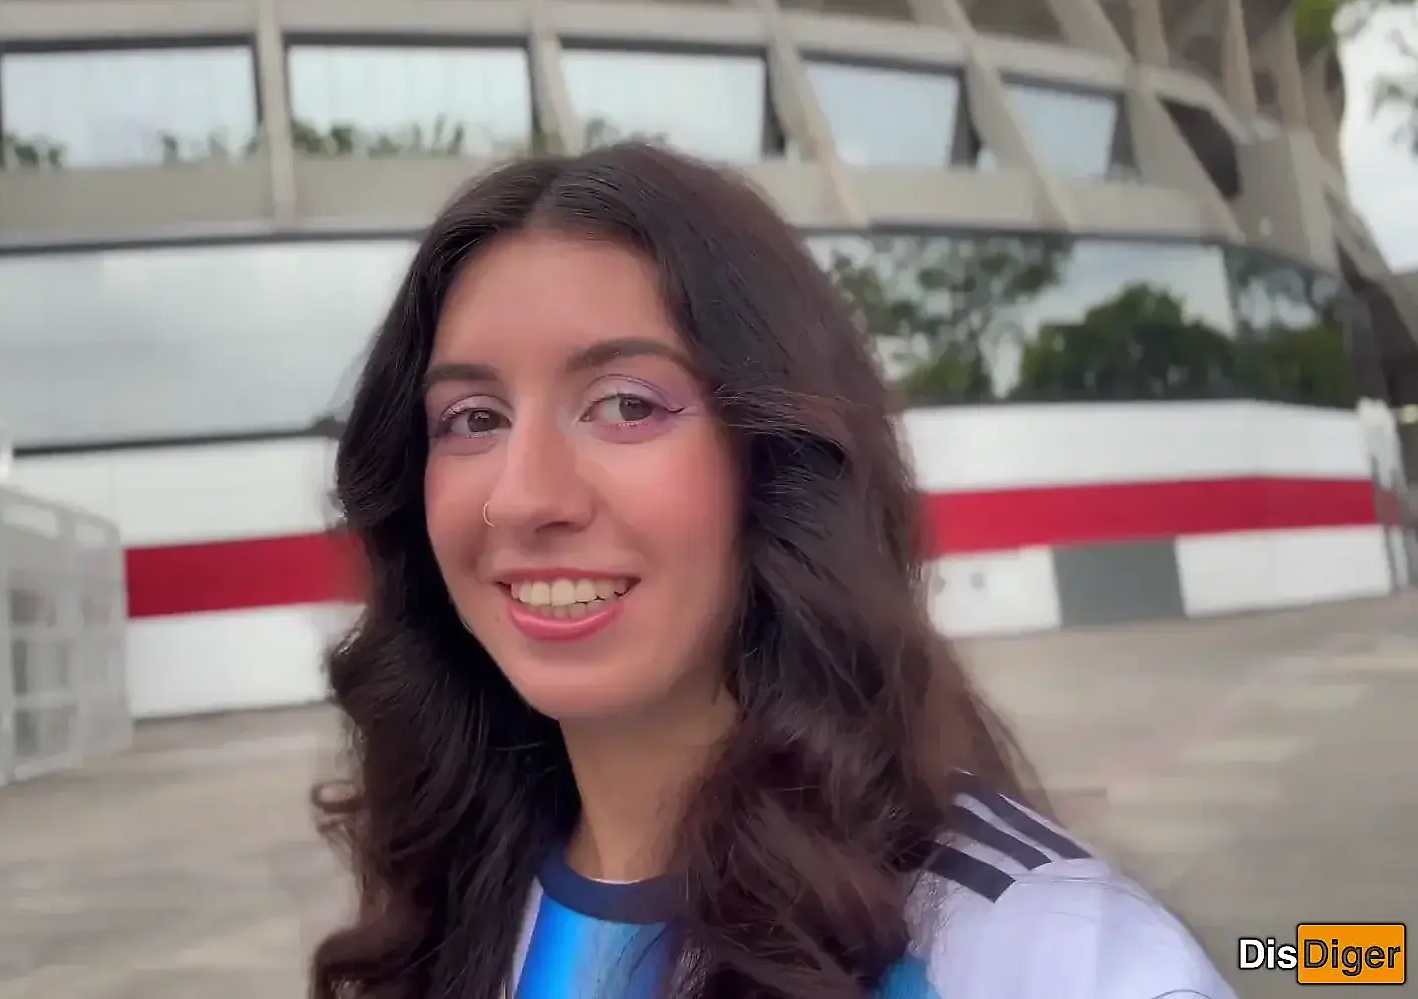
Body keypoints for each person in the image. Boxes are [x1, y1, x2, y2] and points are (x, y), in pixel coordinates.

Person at [307, 143, 1236, 999]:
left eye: (625, 405)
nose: (521, 498)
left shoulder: (1050, 954)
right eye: (472, 419)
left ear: (779, 459)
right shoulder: (451, 902)